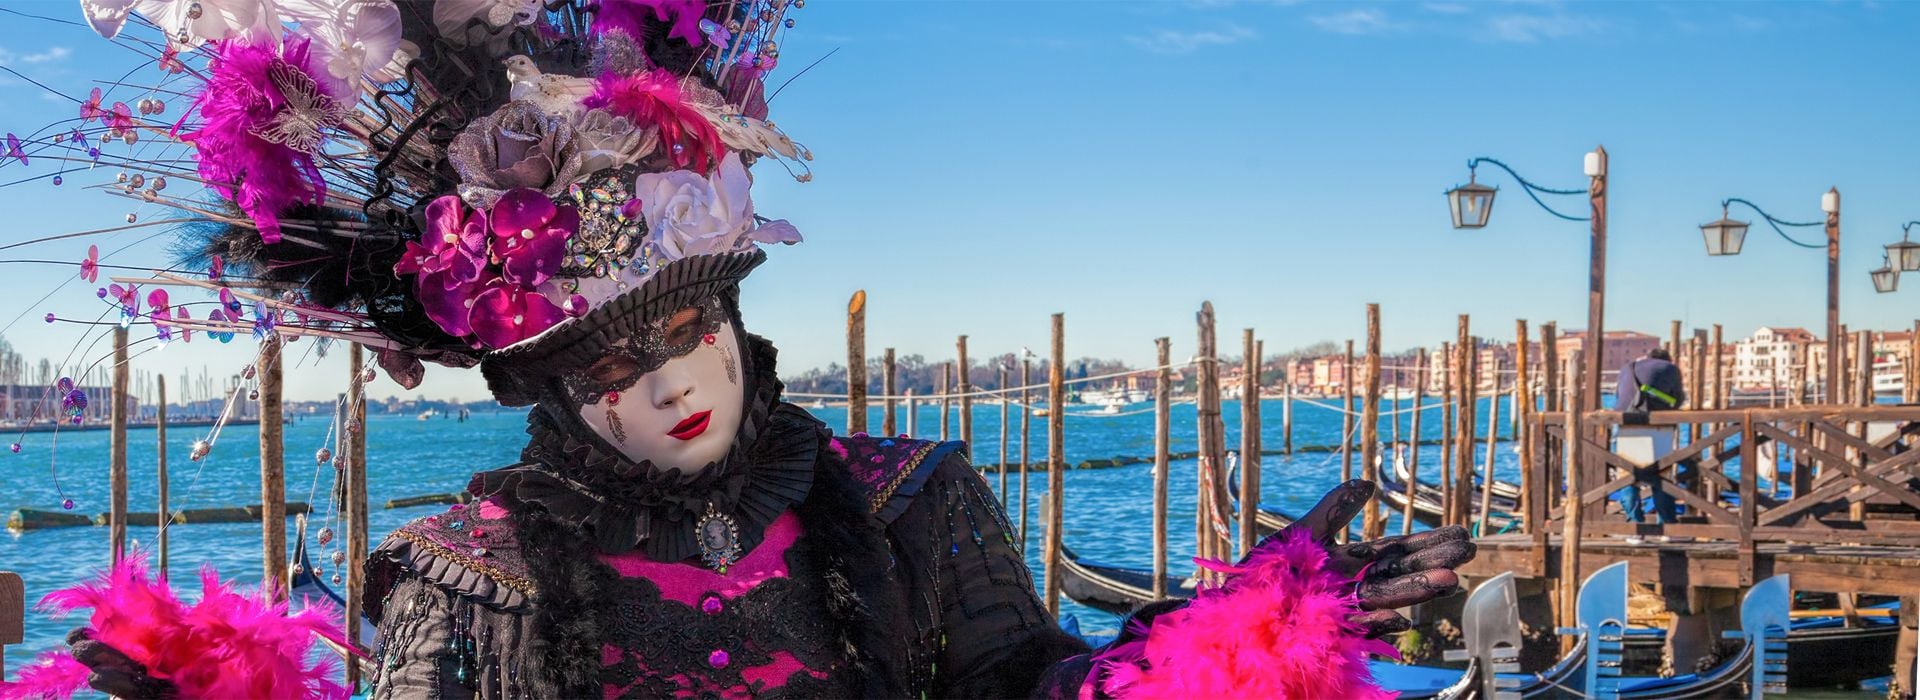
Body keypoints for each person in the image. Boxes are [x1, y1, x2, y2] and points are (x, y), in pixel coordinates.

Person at [20, 2, 1475, 698]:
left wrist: (1229, 648)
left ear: (731, 312)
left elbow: (1025, 694)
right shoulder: (466, 570)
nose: (664, 381)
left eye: (684, 328)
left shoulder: (911, 499)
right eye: (603, 367)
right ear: (545, 394)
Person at [1614, 348, 1689, 524]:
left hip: (1625, 421)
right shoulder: (1670, 368)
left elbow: (1619, 396)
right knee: (1661, 475)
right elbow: (1677, 399)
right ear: (1668, 359)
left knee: (1628, 476)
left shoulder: (1628, 367)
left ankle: (1634, 526)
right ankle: (1667, 525)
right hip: (1656, 424)